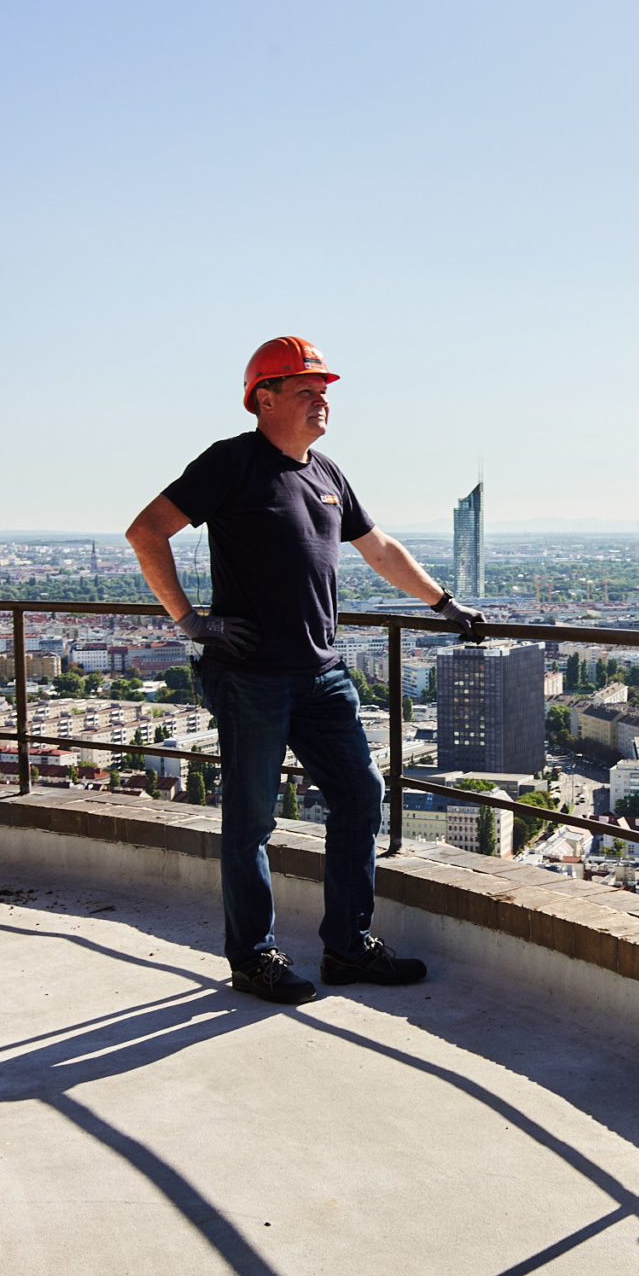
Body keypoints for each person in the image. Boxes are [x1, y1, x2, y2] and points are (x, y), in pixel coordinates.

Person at [126, 337, 486, 1004]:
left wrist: (443, 602)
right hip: (251, 677)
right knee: (252, 823)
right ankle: (253, 958)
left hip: (322, 675)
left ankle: (348, 947)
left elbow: (377, 548)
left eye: (325, 388)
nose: (322, 398)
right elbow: (146, 530)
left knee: (361, 793)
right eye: (305, 388)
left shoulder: (328, 474)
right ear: (264, 399)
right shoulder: (231, 462)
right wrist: (190, 621)